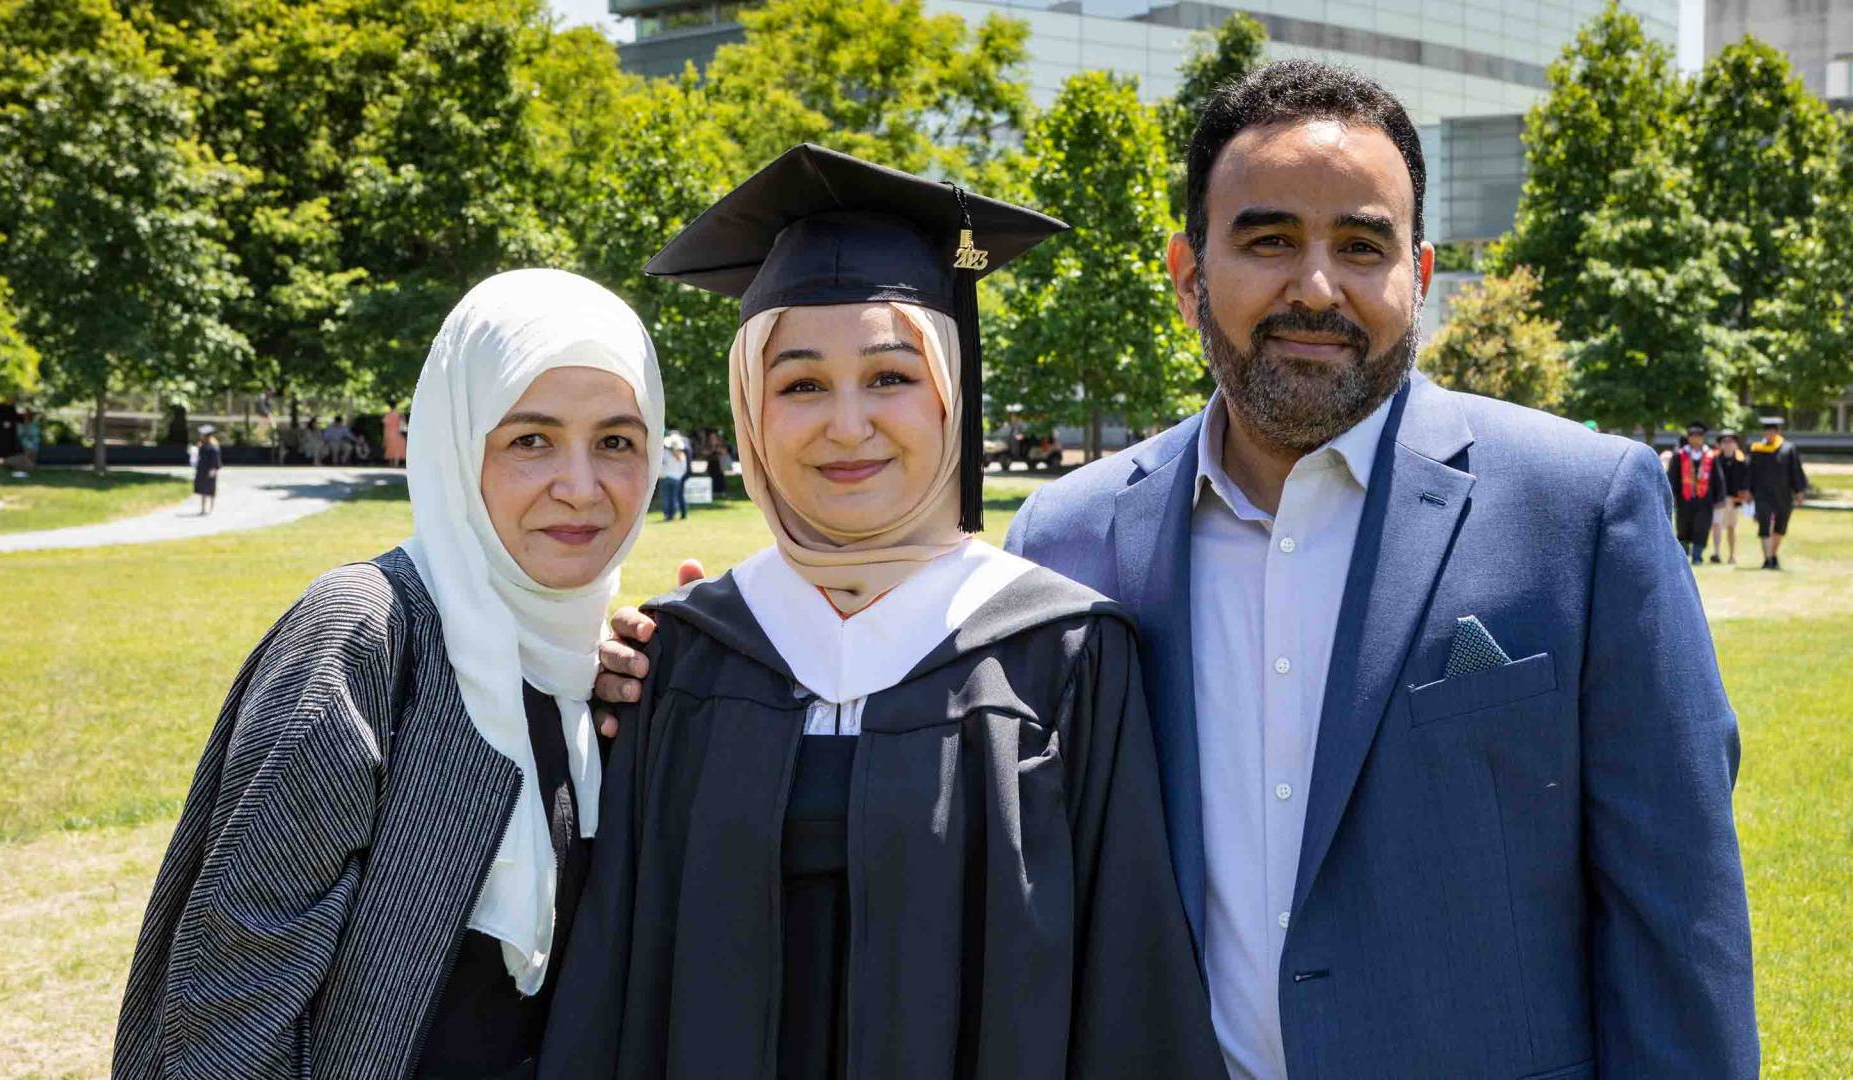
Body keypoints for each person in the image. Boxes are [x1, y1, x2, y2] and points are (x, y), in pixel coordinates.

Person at [598, 66, 1756, 1079]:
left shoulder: (1577, 506)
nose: (1316, 286)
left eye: (1362, 245)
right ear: (1185, 271)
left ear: (1423, 272)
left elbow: (1677, 914)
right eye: (1265, 240)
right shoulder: (1075, 542)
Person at [542, 145, 1220, 1079]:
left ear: (950, 397)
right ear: (750, 408)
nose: (847, 425)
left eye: (892, 377)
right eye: (801, 384)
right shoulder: (681, 658)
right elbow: (613, 983)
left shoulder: (1062, 657)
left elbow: (1127, 990)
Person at [112, 269, 664, 1078]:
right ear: (456, 441)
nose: (580, 487)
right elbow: (234, 996)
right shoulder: (366, 632)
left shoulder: (598, 668)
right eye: (530, 439)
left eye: (615, 441)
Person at [1747, 415, 1807, 570]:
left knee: (1780, 527)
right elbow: (1750, 472)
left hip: (1783, 494)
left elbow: (1795, 470)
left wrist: (1799, 491)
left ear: (1778, 432)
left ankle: (1772, 555)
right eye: (1766, 431)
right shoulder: (1757, 450)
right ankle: (1768, 559)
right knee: (1764, 525)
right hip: (1762, 494)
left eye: (1772, 431)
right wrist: (1747, 490)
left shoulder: (1788, 448)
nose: (1769, 434)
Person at [1671, 420, 1726, 564]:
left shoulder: (1711, 456)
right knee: (1683, 526)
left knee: (1701, 527)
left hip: (1704, 498)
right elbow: (1673, 477)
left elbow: (1717, 478)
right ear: (1688, 438)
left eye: (1699, 436)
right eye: (1693, 436)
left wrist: (1719, 498)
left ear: (1703, 438)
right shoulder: (1680, 455)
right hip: (1685, 498)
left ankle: (1697, 556)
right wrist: (1672, 495)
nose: (1696, 439)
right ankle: (1682, 557)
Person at [1711, 429, 1750, 565]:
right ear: (1720, 444)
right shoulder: (1714, 459)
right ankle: (1716, 553)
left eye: (1731, 441)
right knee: (1716, 526)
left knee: (1731, 527)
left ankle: (1732, 555)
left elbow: (1745, 481)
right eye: (1724, 441)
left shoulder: (1741, 460)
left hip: (1733, 500)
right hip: (1718, 500)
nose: (1728, 444)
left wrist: (1740, 495)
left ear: (1736, 444)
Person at [657, 430, 688, 521]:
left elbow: (660, 465)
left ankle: (667, 515)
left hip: (666, 477)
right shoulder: (682, 455)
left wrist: (661, 474)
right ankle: (673, 514)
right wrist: (679, 476)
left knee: (666, 497)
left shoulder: (665, 454)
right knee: (674, 497)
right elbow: (684, 469)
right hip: (676, 478)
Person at [192, 425, 223, 515]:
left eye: (202, 435)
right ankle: (203, 509)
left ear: (206, 436)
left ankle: (211, 509)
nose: (200, 436)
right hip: (202, 469)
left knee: (210, 489)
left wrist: (214, 469)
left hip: (210, 470)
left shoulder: (214, 446)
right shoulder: (202, 445)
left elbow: (216, 459)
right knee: (202, 489)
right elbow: (199, 457)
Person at [385, 401, 409, 467]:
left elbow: (385, 424)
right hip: (398, 432)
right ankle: (396, 463)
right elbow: (404, 423)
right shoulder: (399, 414)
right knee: (398, 447)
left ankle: (391, 463)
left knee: (391, 447)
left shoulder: (388, 414)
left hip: (389, 433)